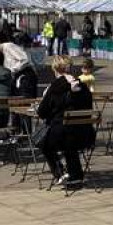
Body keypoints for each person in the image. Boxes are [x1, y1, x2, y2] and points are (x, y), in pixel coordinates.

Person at [37, 55, 95, 186]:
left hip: (62, 136)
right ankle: (76, 174)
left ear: (55, 70)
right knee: (69, 136)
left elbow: (41, 112)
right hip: (86, 135)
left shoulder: (55, 87)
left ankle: (59, 173)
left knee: (43, 141)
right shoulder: (84, 87)